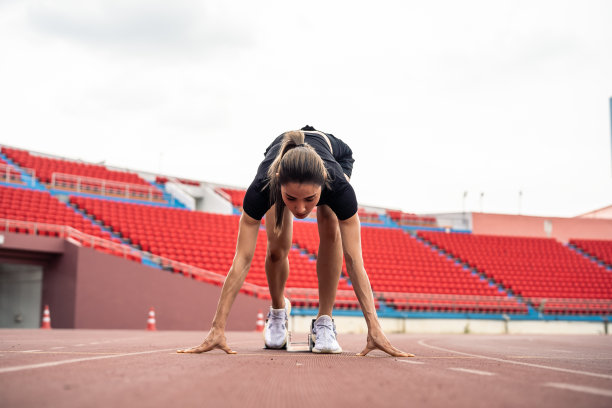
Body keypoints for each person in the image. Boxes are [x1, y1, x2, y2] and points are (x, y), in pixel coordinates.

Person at [178, 126, 413, 357]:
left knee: (330, 221)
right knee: (277, 248)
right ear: (279, 183)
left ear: (323, 183)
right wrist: (217, 328)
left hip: (337, 158)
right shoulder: (263, 186)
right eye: (291, 199)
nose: (301, 209)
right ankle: (279, 310)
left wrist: (374, 328)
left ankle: (324, 322)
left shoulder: (338, 186)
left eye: (310, 199)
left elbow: (354, 260)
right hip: (280, 166)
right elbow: (242, 259)